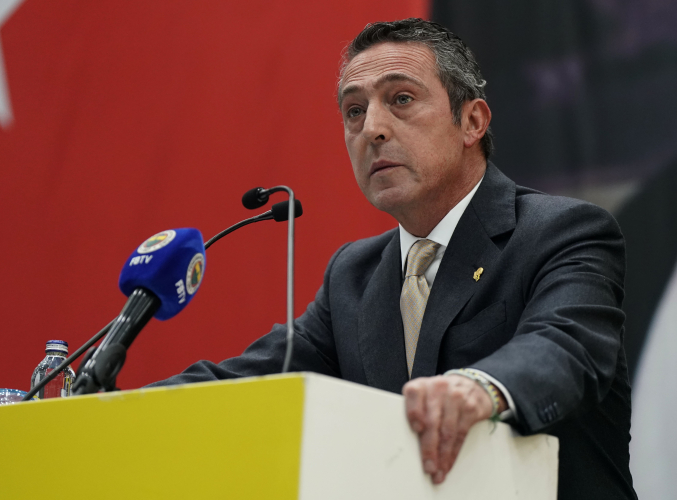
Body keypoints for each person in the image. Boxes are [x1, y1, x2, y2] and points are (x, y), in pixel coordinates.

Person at [148, 19, 636, 499]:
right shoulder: (353, 276)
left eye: (401, 99)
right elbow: (249, 380)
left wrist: (480, 388)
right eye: (354, 111)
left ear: (472, 121)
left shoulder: (562, 232)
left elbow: (566, 346)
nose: (373, 129)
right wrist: (118, 406)